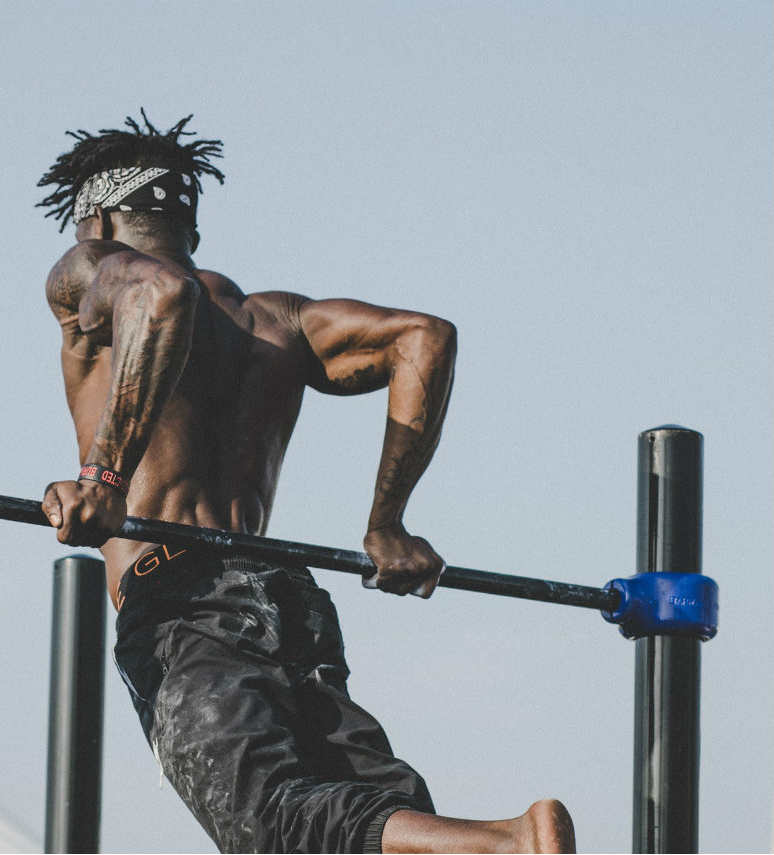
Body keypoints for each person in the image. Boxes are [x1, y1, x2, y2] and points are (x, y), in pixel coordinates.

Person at [37, 112, 575, 854]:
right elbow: (421, 336)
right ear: (188, 223)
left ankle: (512, 839)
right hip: (284, 595)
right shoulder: (273, 321)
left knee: (269, 823)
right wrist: (387, 521)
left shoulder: (89, 269)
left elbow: (159, 297)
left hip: (180, 599)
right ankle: (484, 844)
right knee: (364, 819)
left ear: (93, 220)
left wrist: (102, 477)